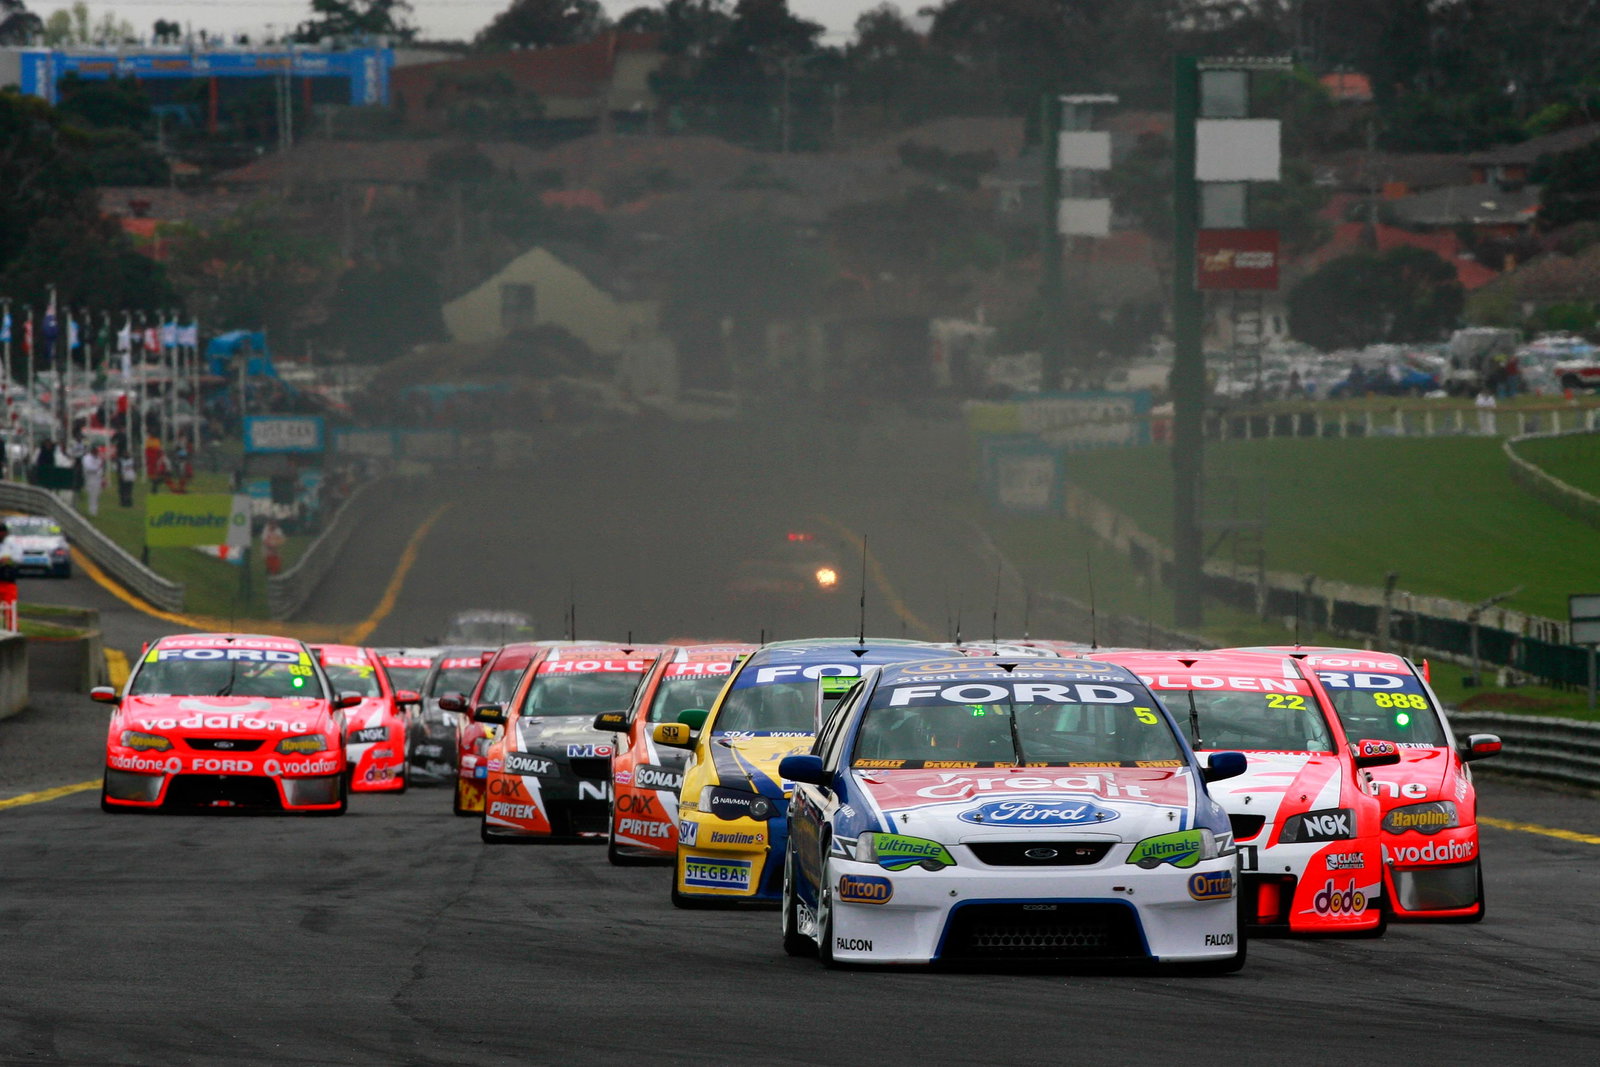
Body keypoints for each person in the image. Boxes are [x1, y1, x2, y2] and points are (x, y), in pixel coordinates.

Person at [81, 447, 104, 516]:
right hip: (90, 478)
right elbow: (88, 468)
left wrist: (102, 477)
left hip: (97, 478)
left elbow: (100, 469)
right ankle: (92, 511)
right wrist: (97, 467)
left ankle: (94, 510)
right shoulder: (87, 458)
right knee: (92, 495)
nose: (97, 453)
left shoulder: (98, 458)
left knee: (97, 495)